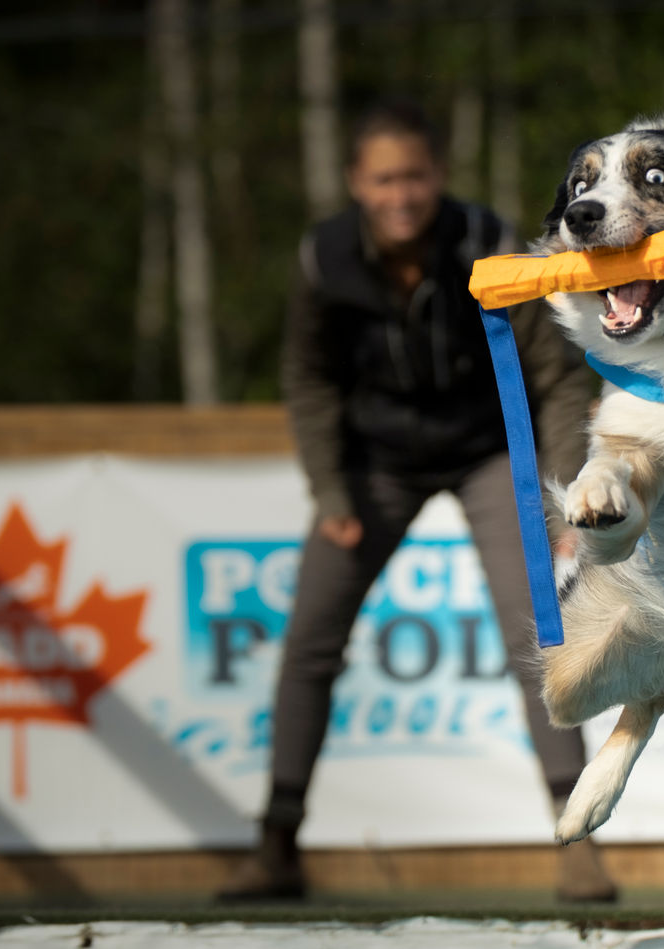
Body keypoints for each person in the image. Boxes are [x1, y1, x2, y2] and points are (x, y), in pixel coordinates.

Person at [219, 100, 616, 902]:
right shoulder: (323, 260)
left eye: (415, 176)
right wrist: (331, 490)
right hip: (375, 465)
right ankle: (275, 844)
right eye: (384, 178)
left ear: (438, 175)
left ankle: (576, 841)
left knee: (540, 635)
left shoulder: (486, 241)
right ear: (356, 184)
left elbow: (559, 375)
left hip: (489, 452)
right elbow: (308, 379)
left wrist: (565, 493)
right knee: (309, 643)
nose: (401, 193)